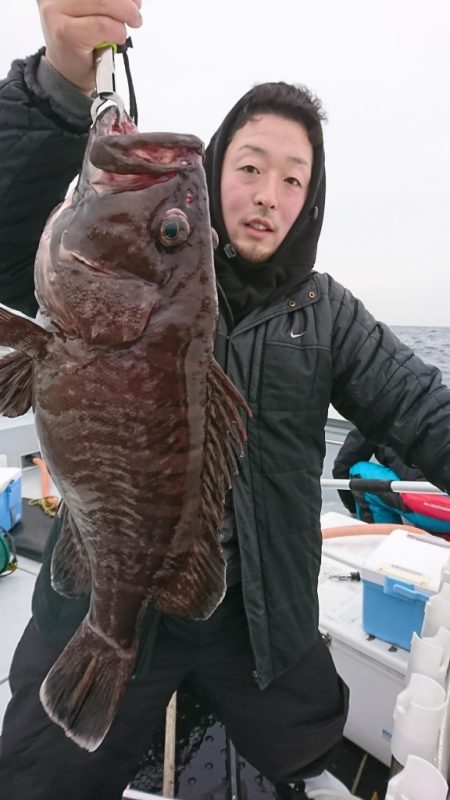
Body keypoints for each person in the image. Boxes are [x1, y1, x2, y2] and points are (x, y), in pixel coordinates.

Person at [1, 2, 450, 799]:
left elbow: (423, 411)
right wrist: (59, 87)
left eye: (292, 178)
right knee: (37, 775)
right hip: (104, 587)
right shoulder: (111, 266)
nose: (268, 194)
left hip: (259, 623)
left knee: (312, 760)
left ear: (310, 199)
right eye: (248, 167)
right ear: (213, 180)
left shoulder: (326, 314)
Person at [333, 427, 450, 534]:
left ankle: (381, 544)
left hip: (438, 503)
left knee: (358, 472)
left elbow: (343, 466)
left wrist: (352, 510)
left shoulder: (378, 412)